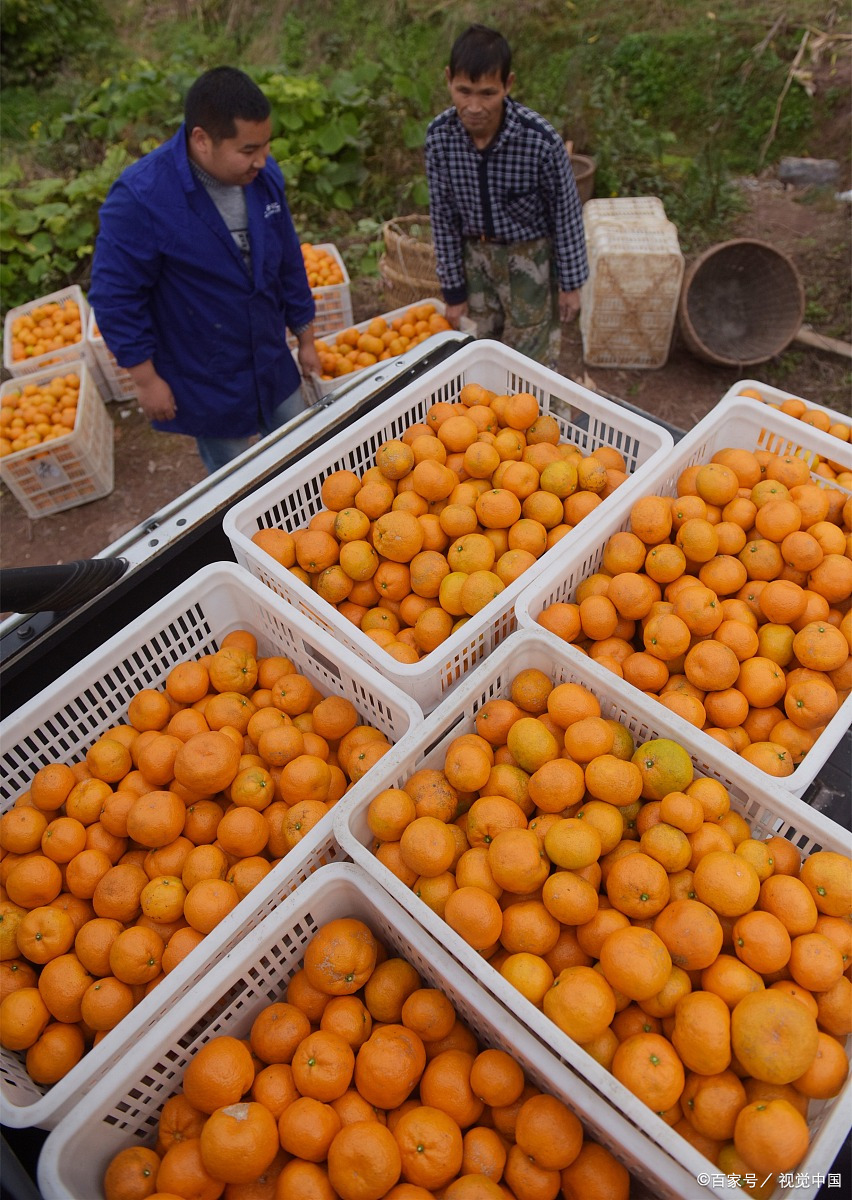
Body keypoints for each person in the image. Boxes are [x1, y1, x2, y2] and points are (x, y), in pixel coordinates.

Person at [88, 66, 322, 474]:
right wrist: (145, 379)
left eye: (266, 146)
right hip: (205, 371)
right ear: (202, 140)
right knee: (235, 478)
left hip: (268, 354)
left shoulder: (264, 178)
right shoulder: (143, 197)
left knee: (303, 455)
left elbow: (288, 258)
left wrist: (305, 336)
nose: (262, 161)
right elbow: (115, 296)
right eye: (248, 150)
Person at [425, 24, 589, 368]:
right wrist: (453, 291)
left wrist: (571, 284)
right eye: (463, 91)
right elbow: (443, 217)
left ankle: (542, 416)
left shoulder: (539, 141)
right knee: (478, 353)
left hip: (528, 262)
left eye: (487, 93)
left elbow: (566, 213)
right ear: (448, 80)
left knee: (532, 362)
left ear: (508, 85)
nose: (473, 106)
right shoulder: (440, 137)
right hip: (475, 260)